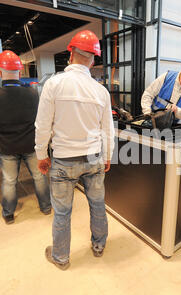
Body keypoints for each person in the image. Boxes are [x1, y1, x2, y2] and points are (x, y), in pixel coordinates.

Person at [35, 30, 115, 270]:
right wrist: (108, 155)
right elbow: (107, 130)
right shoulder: (101, 91)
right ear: (93, 60)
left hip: (63, 160)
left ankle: (61, 257)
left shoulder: (54, 84)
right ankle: (99, 246)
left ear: (71, 54)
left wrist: (41, 155)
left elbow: (42, 125)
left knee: (62, 212)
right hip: (93, 158)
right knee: (98, 205)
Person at [0, 50, 51, 225]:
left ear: (0, 73)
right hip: (30, 144)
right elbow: (37, 117)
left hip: (8, 146)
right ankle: (46, 206)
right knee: (39, 177)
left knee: (9, 181)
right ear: (20, 72)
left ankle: (8, 213)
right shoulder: (32, 93)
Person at [140, 56, 181, 120]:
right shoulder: (166, 77)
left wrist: (177, 110)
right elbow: (148, 94)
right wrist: (147, 113)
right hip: (153, 118)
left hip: (171, 124)